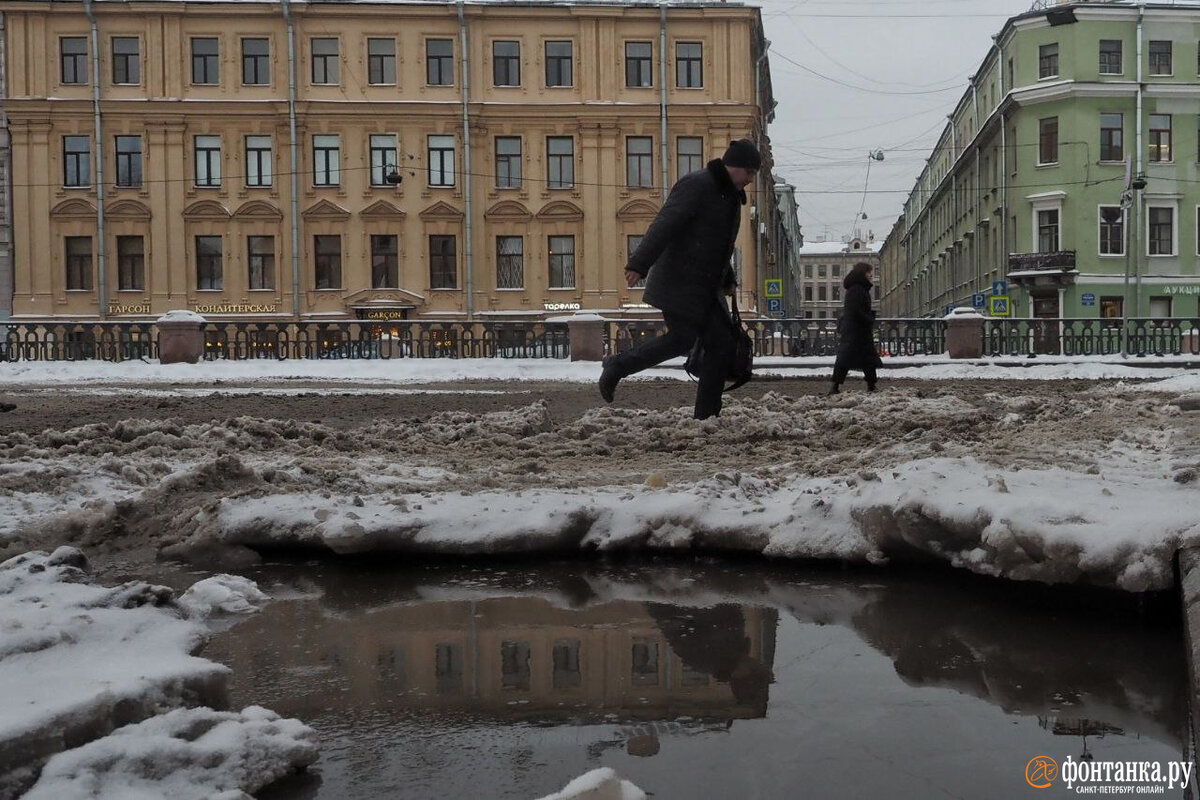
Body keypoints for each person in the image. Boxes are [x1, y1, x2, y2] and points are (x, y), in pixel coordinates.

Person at [598, 138, 761, 420]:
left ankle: (707, 417)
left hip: (706, 285)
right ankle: (617, 365)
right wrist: (640, 263)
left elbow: (717, 243)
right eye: (750, 173)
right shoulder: (698, 184)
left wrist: (728, 277)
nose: (751, 180)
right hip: (680, 281)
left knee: (721, 345)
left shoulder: (729, 196)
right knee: (682, 339)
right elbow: (666, 222)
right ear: (737, 168)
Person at [829, 261, 883, 394]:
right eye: (869, 272)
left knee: (857, 359)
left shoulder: (857, 288)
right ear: (862, 273)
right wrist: (869, 318)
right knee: (855, 359)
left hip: (855, 330)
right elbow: (857, 310)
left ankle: (869, 385)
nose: (871, 275)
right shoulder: (858, 289)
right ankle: (836, 386)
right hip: (857, 331)